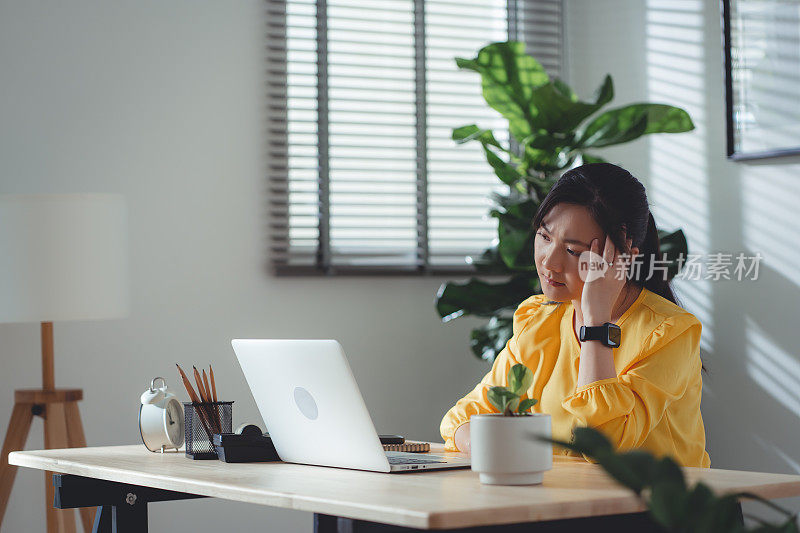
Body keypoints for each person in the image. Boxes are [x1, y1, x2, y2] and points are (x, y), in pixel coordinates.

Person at [440, 162, 711, 468]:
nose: (550, 263)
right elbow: (464, 418)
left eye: (574, 251)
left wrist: (596, 323)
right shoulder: (538, 320)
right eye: (544, 237)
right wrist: (493, 448)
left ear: (623, 256)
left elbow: (604, 446)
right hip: (562, 505)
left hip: (655, 511)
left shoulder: (669, 332)